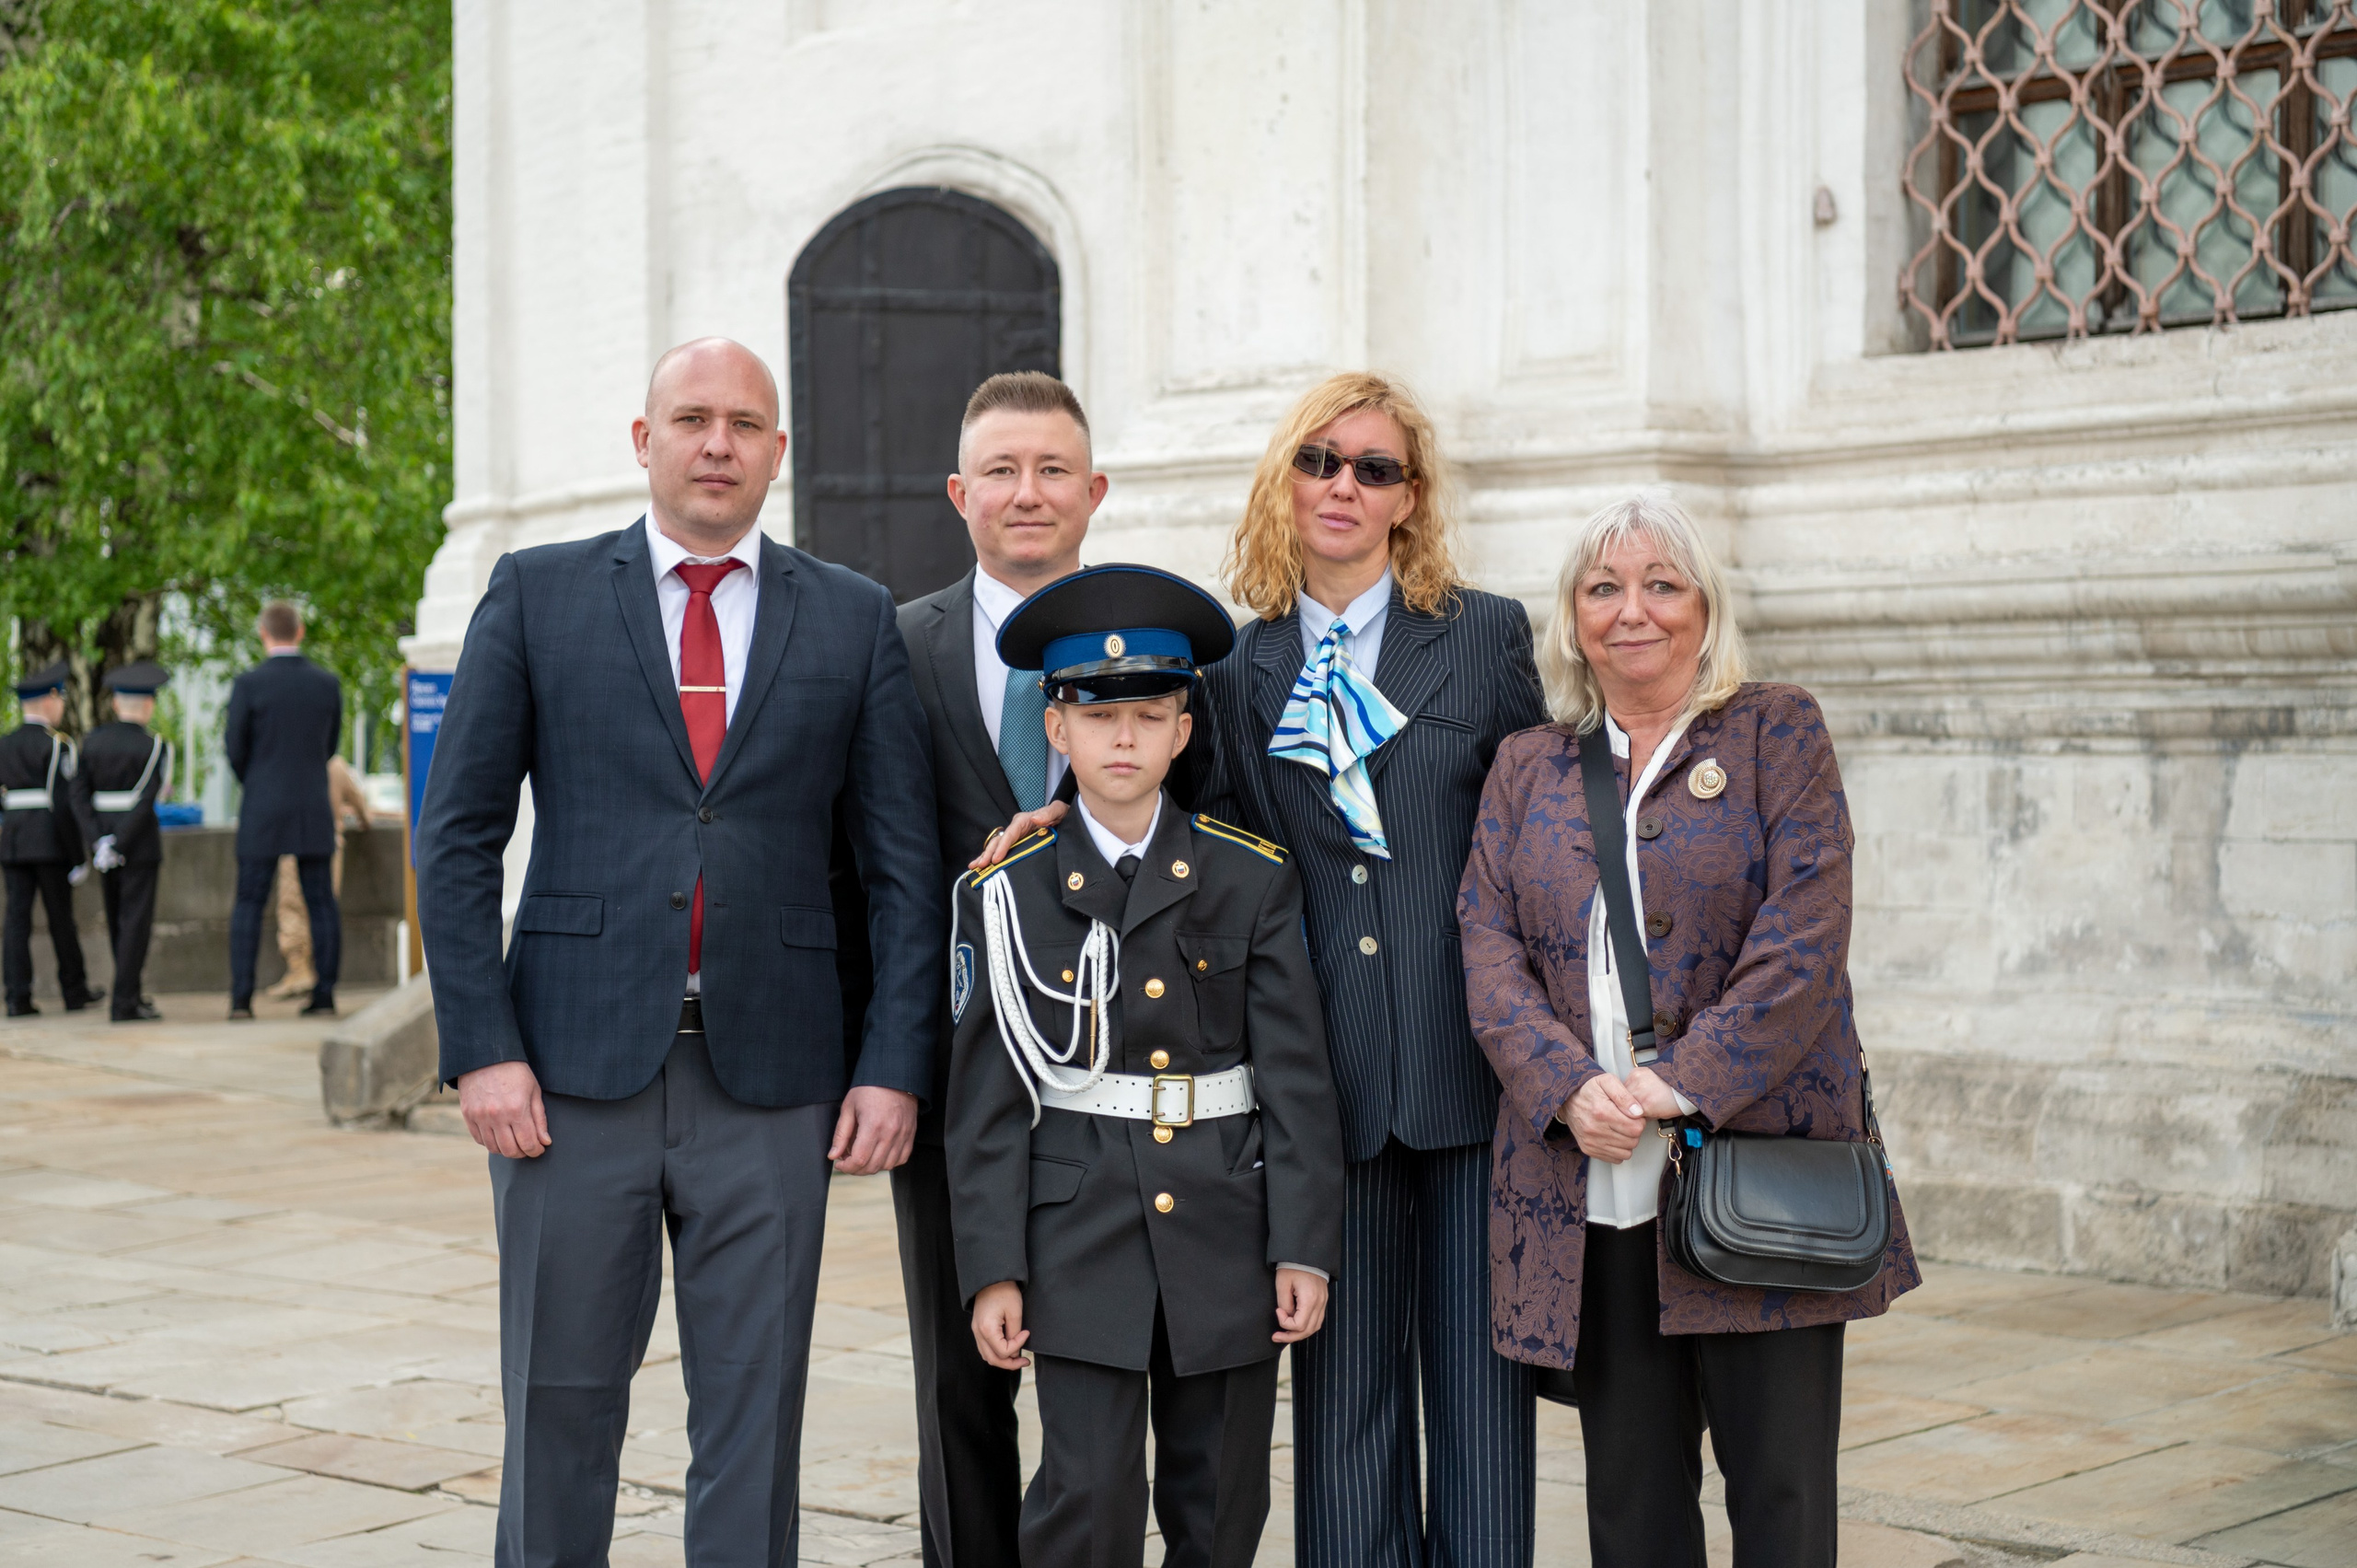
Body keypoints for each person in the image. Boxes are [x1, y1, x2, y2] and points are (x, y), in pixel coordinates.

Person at [415, 337, 942, 1568]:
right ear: (644, 440)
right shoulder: (536, 592)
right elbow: (455, 842)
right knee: (557, 1404)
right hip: (565, 1078)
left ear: (779, 453)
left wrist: (892, 1063)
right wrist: (481, 1047)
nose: (720, 442)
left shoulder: (852, 615)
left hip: (776, 1080)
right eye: (693, 418)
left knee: (755, 1425)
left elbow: (902, 873)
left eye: (746, 423)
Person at [1457, 493, 1920, 1566]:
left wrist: (1680, 1082)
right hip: (1593, 1190)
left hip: (1754, 1182)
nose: (1633, 612)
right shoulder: (1527, 763)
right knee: (1630, 1507)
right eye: (1603, 588)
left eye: (1662, 584)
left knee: (1781, 1497)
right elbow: (1484, 943)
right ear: (1572, 619)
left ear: (1704, 608)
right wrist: (1566, 1088)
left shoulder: (1776, 730)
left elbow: (1804, 937)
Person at [948, 564, 1344, 1568]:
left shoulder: (1249, 874)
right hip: (1077, 1231)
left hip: (1225, 1223)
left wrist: (1302, 1242)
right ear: (1056, 730)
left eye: (1149, 713)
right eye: (1097, 715)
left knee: (1220, 1503)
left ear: (1181, 730)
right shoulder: (1009, 888)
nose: (1122, 737)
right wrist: (994, 1264)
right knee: (1084, 1499)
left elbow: (1294, 1077)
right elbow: (987, 1103)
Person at [887, 369, 1105, 1567]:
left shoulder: (1161, 642)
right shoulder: (896, 639)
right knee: (954, 1377)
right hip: (948, 1071)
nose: (1030, 493)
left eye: (1054, 469)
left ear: (1093, 489)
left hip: (1120, 1072)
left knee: (1099, 1373)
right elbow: (865, 859)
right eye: (1004, 471)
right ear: (961, 492)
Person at [225, 601, 343, 1019]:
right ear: (301, 631)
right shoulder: (326, 685)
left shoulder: (248, 684)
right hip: (311, 803)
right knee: (321, 902)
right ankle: (324, 995)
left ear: (263, 633)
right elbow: (330, 746)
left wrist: (258, 783)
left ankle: (241, 1000)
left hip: (262, 806)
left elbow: (234, 749)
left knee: (249, 902)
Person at [68, 662, 175, 1023]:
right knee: (136, 923)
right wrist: (119, 843)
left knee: (117, 921)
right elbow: (146, 802)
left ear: (116, 704)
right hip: (138, 845)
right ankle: (125, 1000)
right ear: (148, 706)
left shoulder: (92, 742)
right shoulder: (155, 746)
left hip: (103, 847)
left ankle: (128, 994)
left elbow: (78, 795)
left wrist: (99, 841)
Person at [2, 661, 96, 1017]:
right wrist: (77, 857)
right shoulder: (58, 746)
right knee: (60, 918)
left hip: (13, 841)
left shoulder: (4, 744)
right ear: (50, 699)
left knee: (16, 921)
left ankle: (16, 996)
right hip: (49, 843)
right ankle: (74, 990)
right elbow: (64, 807)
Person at [262, 755, 371, 1000]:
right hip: (328, 840)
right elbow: (359, 803)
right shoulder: (337, 766)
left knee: (292, 907)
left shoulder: (294, 761)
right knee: (323, 907)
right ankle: (320, 977)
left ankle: (300, 969)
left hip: (293, 838)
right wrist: (363, 818)